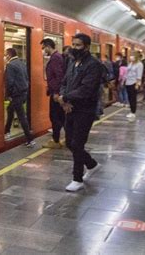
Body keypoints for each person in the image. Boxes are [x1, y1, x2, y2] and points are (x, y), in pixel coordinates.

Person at [56, 33, 102, 192]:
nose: (74, 48)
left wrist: (65, 97)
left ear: (87, 47)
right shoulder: (71, 61)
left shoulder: (94, 65)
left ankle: (77, 178)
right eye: (73, 44)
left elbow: (87, 89)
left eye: (78, 45)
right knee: (69, 142)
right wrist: (64, 98)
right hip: (70, 108)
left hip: (85, 109)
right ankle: (91, 164)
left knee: (77, 143)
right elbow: (64, 82)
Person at [4, 48, 36, 147]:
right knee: (10, 110)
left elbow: (10, 82)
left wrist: (8, 95)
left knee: (22, 116)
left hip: (16, 94)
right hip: (23, 93)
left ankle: (30, 139)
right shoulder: (22, 63)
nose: (5, 57)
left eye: (6, 55)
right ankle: (7, 131)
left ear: (9, 55)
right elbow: (26, 78)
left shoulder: (10, 65)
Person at [41, 38, 65, 149]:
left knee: (55, 116)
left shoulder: (55, 58)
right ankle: (66, 138)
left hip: (56, 93)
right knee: (60, 117)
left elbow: (58, 76)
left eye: (43, 47)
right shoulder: (57, 57)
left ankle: (56, 141)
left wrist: (56, 92)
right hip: (56, 91)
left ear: (48, 46)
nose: (43, 50)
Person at [125, 52, 144, 121]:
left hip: (134, 82)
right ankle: (131, 110)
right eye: (130, 56)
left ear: (136, 56)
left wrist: (137, 84)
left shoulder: (139, 64)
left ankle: (133, 112)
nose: (131, 57)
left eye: (132, 56)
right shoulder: (130, 63)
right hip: (128, 82)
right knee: (130, 97)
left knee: (133, 98)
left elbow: (139, 75)